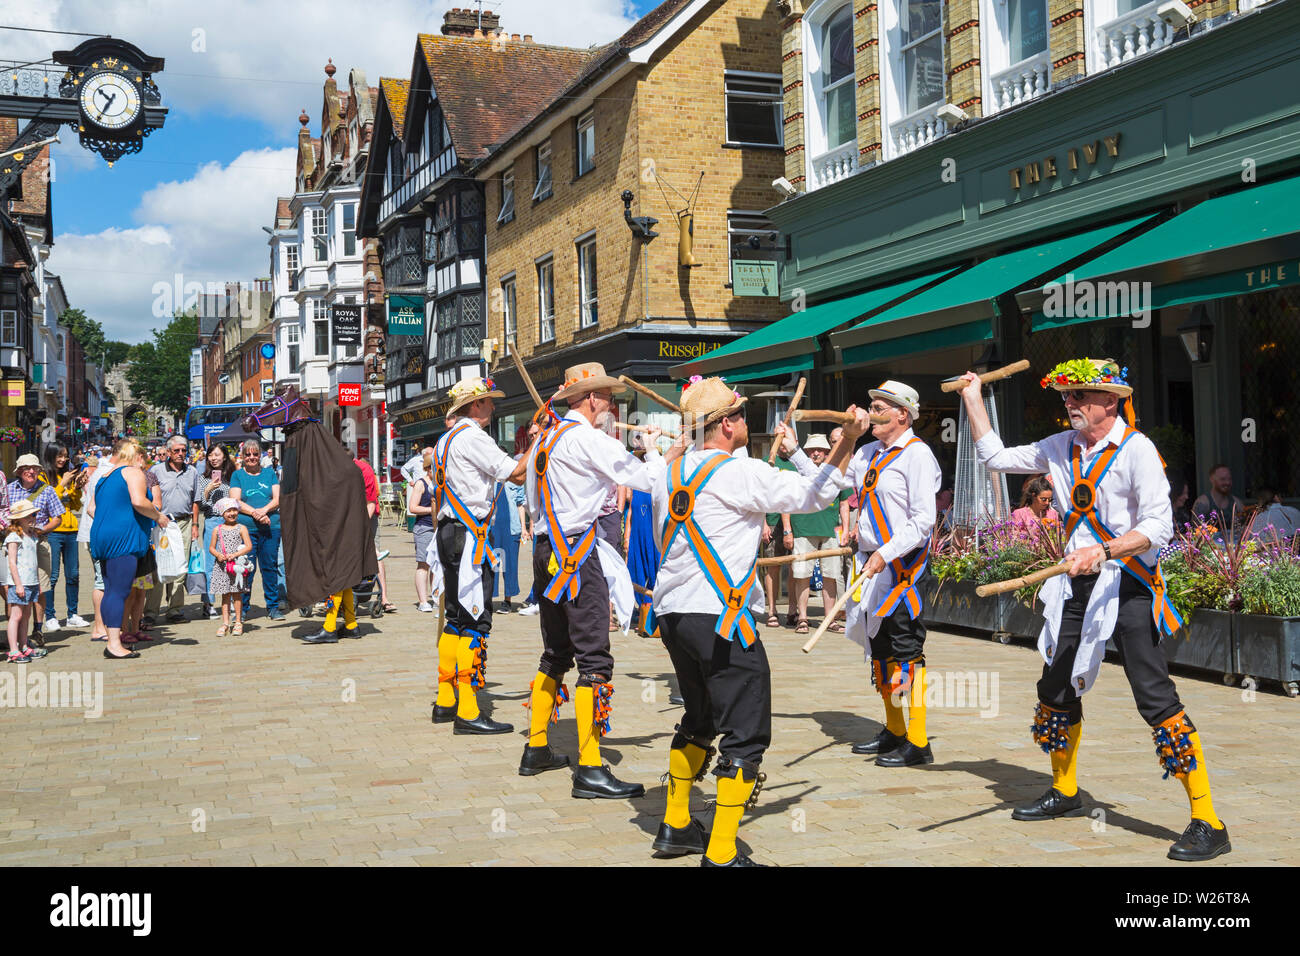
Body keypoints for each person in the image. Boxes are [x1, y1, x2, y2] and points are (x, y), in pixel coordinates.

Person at [959, 358, 1228, 862]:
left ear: (1112, 400)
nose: (1071, 404)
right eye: (1066, 396)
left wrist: (1102, 552)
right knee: (1055, 687)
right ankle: (1065, 791)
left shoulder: (1138, 450)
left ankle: (1208, 820)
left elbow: (1159, 526)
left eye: (1081, 396)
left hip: (1129, 585)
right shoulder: (1057, 447)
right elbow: (995, 457)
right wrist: (973, 399)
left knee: (1154, 697)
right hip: (1073, 587)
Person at [648, 378, 862, 866]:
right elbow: (818, 496)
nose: (747, 423)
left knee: (699, 718)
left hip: (674, 616)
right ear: (726, 424)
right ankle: (721, 853)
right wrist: (849, 438)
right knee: (745, 732)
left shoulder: (669, 472)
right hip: (719, 620)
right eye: (742, 415)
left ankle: (675, 825)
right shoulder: (738, 472)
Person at [521, 363, 663, 797]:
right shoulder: (587, 438)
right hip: (576, 555)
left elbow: (530, 501)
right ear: (594, 400)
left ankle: (537, 746)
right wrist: (652, 449)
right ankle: (589, 767)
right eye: (609, 398)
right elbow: (646, 480)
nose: (613, 406)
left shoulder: (544, 440)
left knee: (556, 651)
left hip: (546, 552)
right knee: (594, 659)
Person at [841, 381, 942, 768]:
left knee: (905, 651)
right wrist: (800, 452)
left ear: (903, 414)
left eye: (881, 406)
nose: (873, 411)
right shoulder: (867, 451)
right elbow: (833, 481)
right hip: (872, 563)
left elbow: (922, 522)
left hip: (902, 567)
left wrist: (884, 552)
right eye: (872, 404)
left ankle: (918, 740)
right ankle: (894, 729)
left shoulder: (917, 456)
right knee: (881, 652)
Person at [427, 376, 529, 731]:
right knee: (474, 620)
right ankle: (468, 712)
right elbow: (515, 474)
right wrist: (538, 443)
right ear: (474, 406)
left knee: (455, 618)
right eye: (487, 401)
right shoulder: (472, 437)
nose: (493, 406)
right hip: (468, 536)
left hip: (448, 532)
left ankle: (445, 699)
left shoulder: (444, 441)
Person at [88, 438, 170, 660]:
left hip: (101, 536)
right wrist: (158, 516)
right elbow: (138, 501)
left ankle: (111, 636)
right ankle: (114, 644)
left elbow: (91, 509)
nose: (144, 461)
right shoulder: (132, 472)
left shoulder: (104, 477)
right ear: (135, 455)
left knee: (110, 588)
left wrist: (111, 521)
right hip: (123, 539)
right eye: (142, 456)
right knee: (119, 591)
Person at [784, 433, 850, 635]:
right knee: (802, 574)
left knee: (831, 575)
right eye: (812, 449)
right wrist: (787, 529)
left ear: (828, 452)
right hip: (803, 527)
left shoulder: (836, 471)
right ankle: (802, 617)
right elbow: (786, 500)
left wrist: (846, 529)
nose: (816, 453)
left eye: (820, 449)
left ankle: (829, 619)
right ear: (806, 452)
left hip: (829, 530)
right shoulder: (796, 469)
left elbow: (844, 502)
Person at [8, 453, 65, 645]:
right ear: (19, 471)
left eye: (34, 468)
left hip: (39, 544)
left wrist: (41, 531)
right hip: (15, 544)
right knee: (13, 588)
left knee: (40, 588)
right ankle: (15, 631)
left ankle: (37, 629)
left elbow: (58, 517)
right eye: (26, 468)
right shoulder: (9, 490)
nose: (31, 472)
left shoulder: (47, 490)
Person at [146, 435, 202, 624]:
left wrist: (195, 525)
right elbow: (147, 498)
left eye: (183, 450)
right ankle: (151, 612)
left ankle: (175, 609)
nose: (180, 454)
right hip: (162, 524)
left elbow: (196, 500)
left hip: (185, 522)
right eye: (176, 450)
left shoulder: (192, 472)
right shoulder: (155, 471)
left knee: (181, 566)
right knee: (159, 567)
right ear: (168, 452)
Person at [229, 439, 283, 621]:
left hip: (271, 527)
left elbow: (277, 498)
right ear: (243, 457)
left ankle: (273, 607)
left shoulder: (269, 473)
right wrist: (256, 513)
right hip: (246, 529)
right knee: (245, 569)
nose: (252, 457)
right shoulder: (237, 476)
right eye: (248, 454)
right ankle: (242, 609)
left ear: (260, 455)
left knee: (270, 567)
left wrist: (264, 511)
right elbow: (235, 501)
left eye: (255, 454)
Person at [42, 444, 91, 631]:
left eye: (65, 456)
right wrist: (63, 485)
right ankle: (50, 616)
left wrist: (76, 487)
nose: (63, 460)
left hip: (71, 530)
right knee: (52, 576)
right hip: (53, 531)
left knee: (74, 575)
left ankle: (72, 614)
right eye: (59, 456)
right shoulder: (43, 476)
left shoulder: (68, 475)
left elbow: (76, 505)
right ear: (51, 456)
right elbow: (47, 501)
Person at [195, 444, 236, 618]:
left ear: (224, 457)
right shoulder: (203, 478)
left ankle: (233, 600)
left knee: (232, 563)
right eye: (210, 455)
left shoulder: (233, 477)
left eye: (217, 455)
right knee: (210, 564)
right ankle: (209, 603)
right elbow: (201, 506)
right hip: (212, 521)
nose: (213, 458)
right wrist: (207, 490)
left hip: (232, 522)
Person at [80, 453, 116, 642]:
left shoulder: (106, 472)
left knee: (105, 580)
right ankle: (99, 626)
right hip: (101, 535)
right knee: (102, 580)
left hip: (100, 533)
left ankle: (106, 624)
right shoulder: (105, 473)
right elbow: (91, 508)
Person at [4, 500, 47, 662]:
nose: (32, 518)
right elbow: (12, 563)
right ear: (18, 518)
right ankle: (13, 650)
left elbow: (34, 561)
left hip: (32, 582)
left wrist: (38, 583)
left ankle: (24, 645)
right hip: (19, 583)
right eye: (28, 515)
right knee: (16, 615)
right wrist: (18, 584)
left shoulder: (32, 535)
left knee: (27, 614)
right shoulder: (14, 537)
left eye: (34, 514)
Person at [209, 497, 252, 636]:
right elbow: (211, 547)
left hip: (236, 567)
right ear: (222, 513)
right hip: (222, 567)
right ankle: (225, 623)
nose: (232, 513)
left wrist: (235, 554)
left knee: (237, 595)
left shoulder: (242, 528)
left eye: (234, 510)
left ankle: (238, 622)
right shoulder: (217, 529)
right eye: (228, 511)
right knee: (225, 595)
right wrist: (218, 555)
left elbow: (249, 546)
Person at [407, 455, 437, 613]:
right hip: (424, 527)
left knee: (436, 566)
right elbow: (412, 508)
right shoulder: (421, 483)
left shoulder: (440, 483)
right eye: (434, 468)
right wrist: (431, 510)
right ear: (427, 469)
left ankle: (436, 598)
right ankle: (423, 601)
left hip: (438, 528)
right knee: (423, 564)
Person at [1191, 464, 1242, 540]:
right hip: (1209, 548)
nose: (1227, 482)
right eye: (1223, 479)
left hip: (1232, 547)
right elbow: (1196, 531)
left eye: (1229, 479)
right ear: (1212, 479)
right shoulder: (1203, 503)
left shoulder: (1236, 503)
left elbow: (1242, 529)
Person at [1168, 469, 1192, 535]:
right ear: (1175, 493)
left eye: (1187, 493)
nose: (1186, 497)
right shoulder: (1165, 513)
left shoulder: (1183, 513)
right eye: (1183, 493)